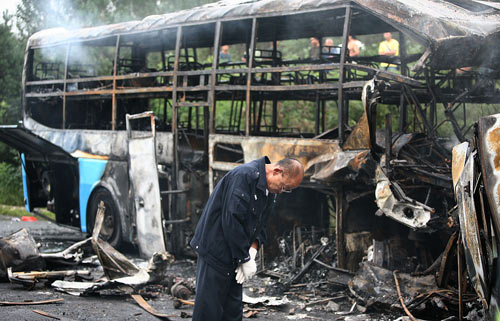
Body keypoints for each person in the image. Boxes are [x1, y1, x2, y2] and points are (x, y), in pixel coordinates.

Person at [190, 157, 304, 321]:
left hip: (235, 254)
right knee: (209, 311)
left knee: (233, 311)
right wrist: (244, 257)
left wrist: (253, 249)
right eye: (284, 187)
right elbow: (232, 220)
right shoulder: (244, 176)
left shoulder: (268, 191)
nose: (281, 191)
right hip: (215, 250)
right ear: (277, 171)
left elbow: (261, 224)